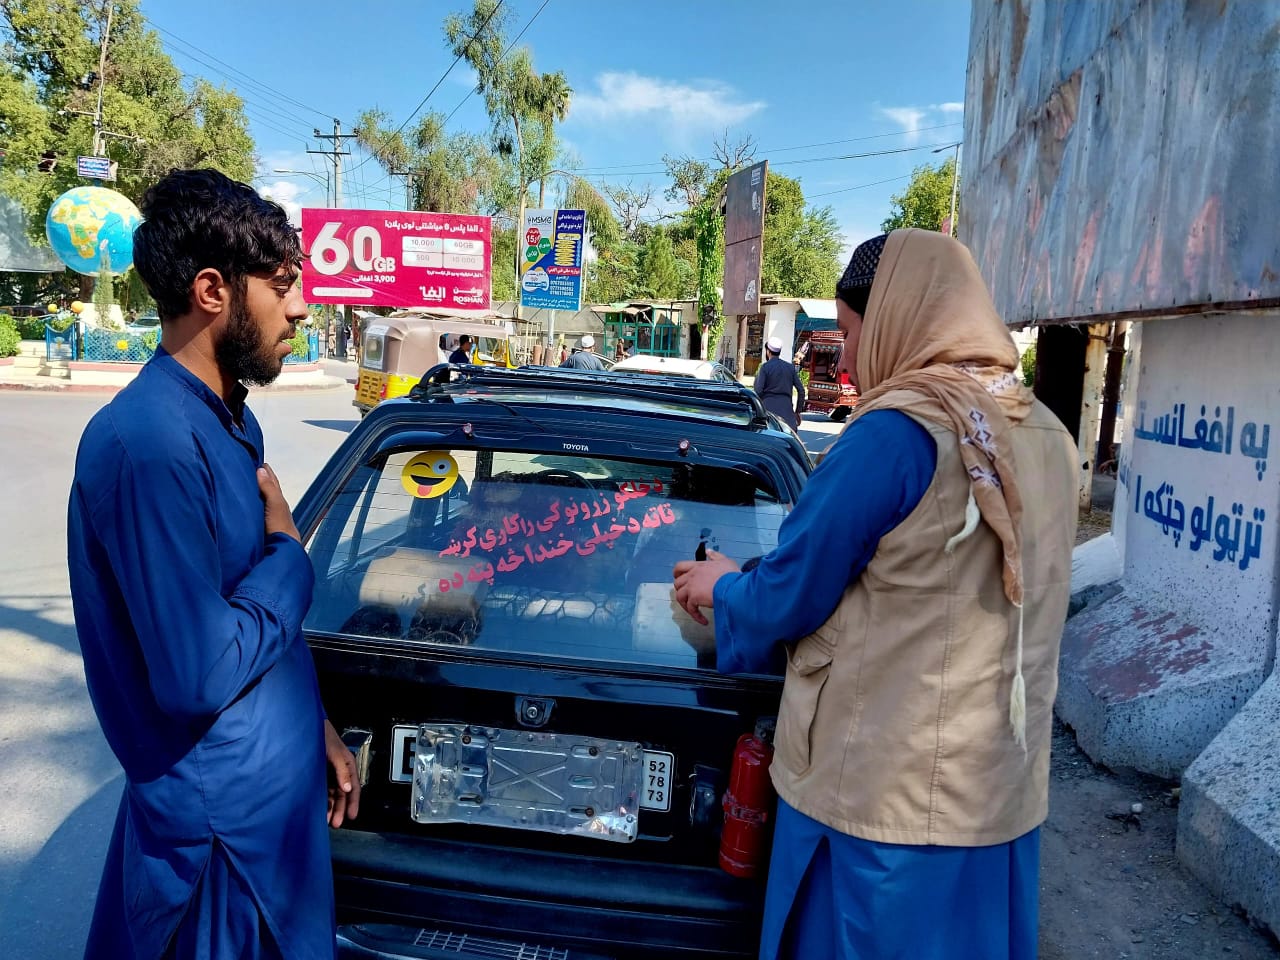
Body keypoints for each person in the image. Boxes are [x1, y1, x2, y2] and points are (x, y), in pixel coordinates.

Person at [673, 228, 1076, 960]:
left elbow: (791, 594)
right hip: (996, 793)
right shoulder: (1047, 432)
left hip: (880, 807)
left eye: (852, 332)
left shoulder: (894, 434)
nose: (849, 359)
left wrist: (722, 584)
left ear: (897, 317)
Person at [67, 168, 360, 960]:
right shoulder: (150, 444)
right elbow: (196, 674)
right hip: (221, 851)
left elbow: (249, 619)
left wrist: (313, 724)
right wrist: (292, 560)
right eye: (281, 287)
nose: (301, 309)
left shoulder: (228, 420)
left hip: (273, 823)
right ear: (211, 291)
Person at [754, 336, 807, 429]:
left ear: (768, 351)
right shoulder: (790, 368)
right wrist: (798, 411)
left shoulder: (765, 367)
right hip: (787, 413)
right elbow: (801, 390)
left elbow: (758, 391)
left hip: (768, 413)